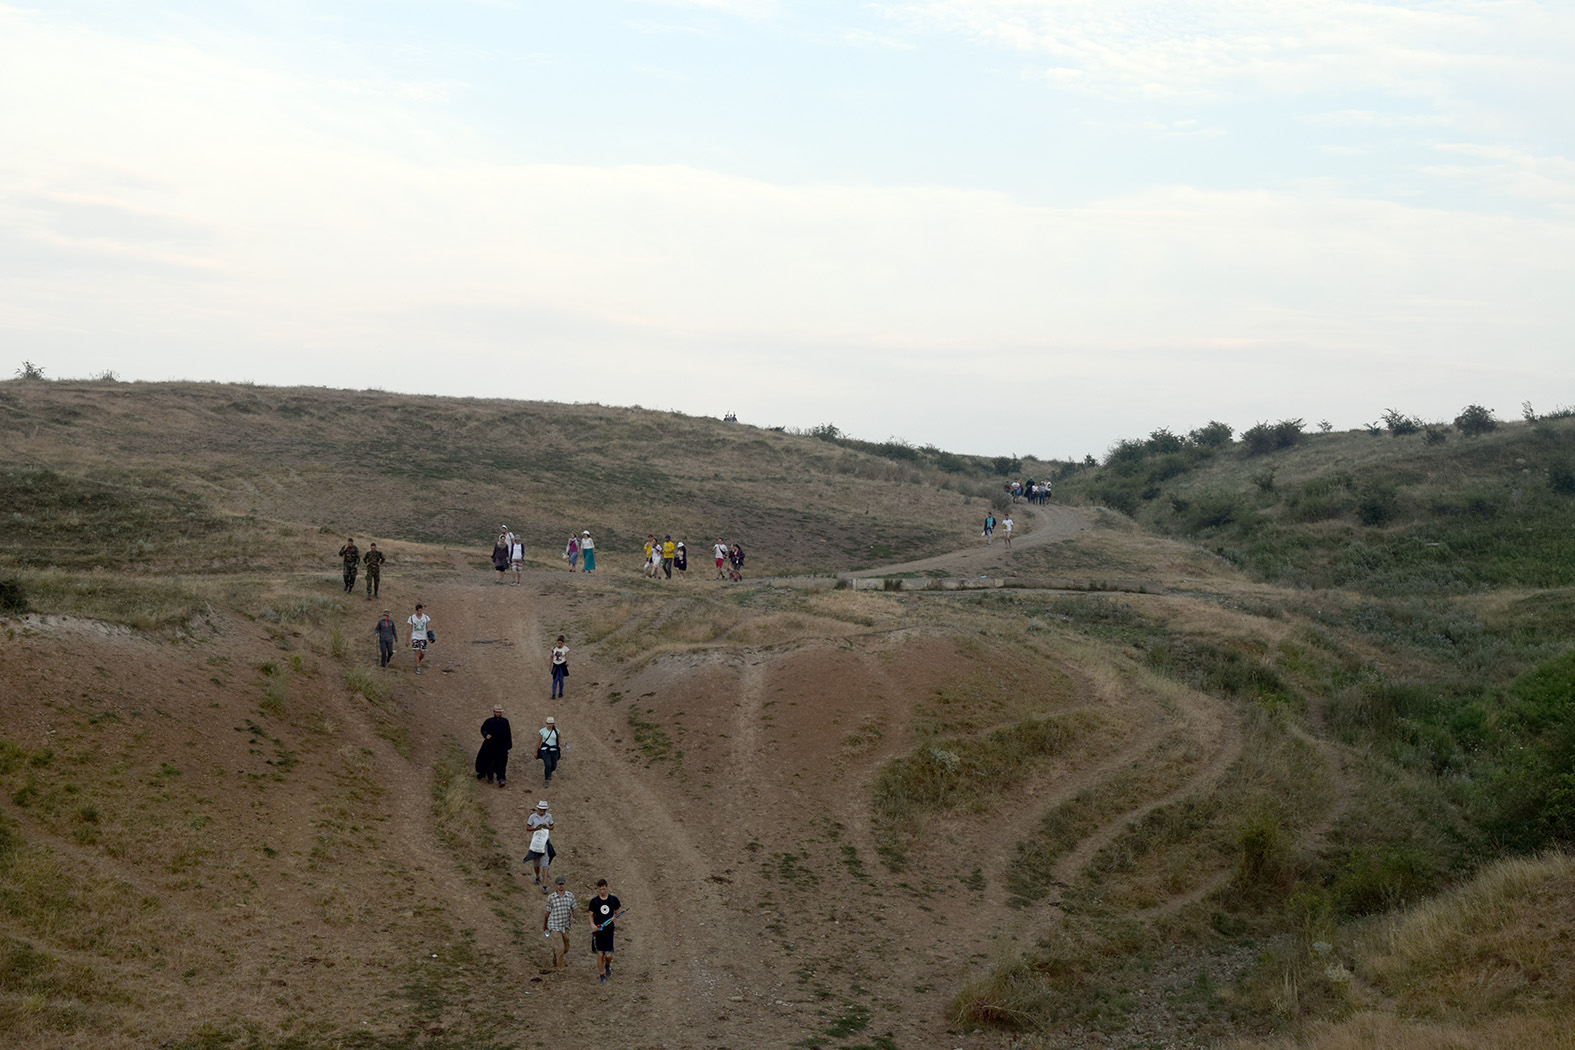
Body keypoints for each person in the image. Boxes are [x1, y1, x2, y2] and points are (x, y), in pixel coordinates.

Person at [587, 879, 622, 983]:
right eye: (600, 889)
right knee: (600, 954)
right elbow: (590, 915)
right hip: (598, 931)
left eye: (604, 889)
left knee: (608, 955)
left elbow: (617, 912)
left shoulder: (613, 900)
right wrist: (593, 925)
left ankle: (607, 965)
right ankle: (601, 975)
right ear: (598, 889)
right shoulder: (594, 901)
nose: (602, 891)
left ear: (607, 887)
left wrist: (615, 917)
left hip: (609, 931)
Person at [543, 876, 576, 973]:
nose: (560, 886)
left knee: (566, 948)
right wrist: (545, 925)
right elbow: (547, 912)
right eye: (559, 884)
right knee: (560, 948)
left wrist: (574, 917)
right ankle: (560, 968)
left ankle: (556, 955)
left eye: (562, 884)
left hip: (565, 925)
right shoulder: (551, 898)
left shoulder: (570, 896)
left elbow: (574, 908)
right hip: (554, 925)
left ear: (564, 884)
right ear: (556, 885)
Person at [475, 705, 512, 787]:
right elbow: (483, 729)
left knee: (502, 762)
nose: (498, 713)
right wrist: (486, 735)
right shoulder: (489, 721)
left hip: (501, 746)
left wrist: (508, 745)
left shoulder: (505, 721)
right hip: (490, 745)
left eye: (499, 712)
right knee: (489, 761)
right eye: (497, 712)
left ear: (501, 712)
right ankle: (490, 777)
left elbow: (508, 733)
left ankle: (501, 779)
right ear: (494, 712)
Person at [525, 799, 556, 885]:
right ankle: (537, 876)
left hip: (545, 841)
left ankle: (545, 884)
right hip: (536, 841)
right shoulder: (533, 817)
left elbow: (552, 827)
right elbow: (527, 828)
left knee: (545, 863)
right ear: (538, 809)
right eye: (541, 810)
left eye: (544, 810)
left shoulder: (549, 816)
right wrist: (535, 828)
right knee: (536, 862)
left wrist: (547, 827)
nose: (542, 812)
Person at [537, 715, 563, 783]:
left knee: (554, 766)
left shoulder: (557, 731)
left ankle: (549, 772)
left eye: (551, 723)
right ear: (546, 723)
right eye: (549, 723)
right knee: (548, 764)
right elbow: (539, 741)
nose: (550, 724)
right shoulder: (542, 731)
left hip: (554, 750)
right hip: (545, 750)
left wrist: (563, 744)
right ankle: (547, 779)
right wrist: (536, 751)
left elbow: (559, 740)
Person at [408, 603, 431, 674]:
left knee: (422, 653)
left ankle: (418, 662)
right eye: (418, 610)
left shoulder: (426, 618)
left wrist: (430, 636)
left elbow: (428, 627)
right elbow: (409, 629)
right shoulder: (411, 618)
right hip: (415, 636)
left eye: (420, 610)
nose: (419, 612)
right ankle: (418, 667)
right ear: (416, 610)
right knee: (416, 651)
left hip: (423, 637)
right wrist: (407, 639)